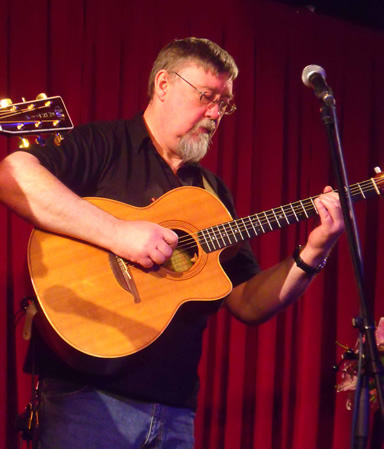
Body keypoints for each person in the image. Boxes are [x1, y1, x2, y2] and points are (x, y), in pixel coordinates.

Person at [0, 37, 344, 448]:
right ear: (163, 84)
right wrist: (118, 234)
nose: (216, 113)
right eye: (207, 96)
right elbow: (13, 174)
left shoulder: (211, 194)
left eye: (225, 103)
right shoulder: (106, 146)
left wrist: (315, 250)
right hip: (87, 401)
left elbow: (248, 301)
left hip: (176, 413)